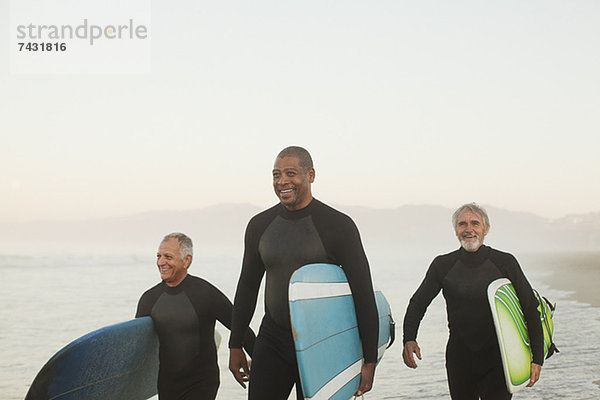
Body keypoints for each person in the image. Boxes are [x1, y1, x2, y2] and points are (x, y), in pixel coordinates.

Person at [228, 146, 379, 400]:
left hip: (322, 343)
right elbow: (247, 288)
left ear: (310, 175)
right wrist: (235, 344)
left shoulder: (338, 226)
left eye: (290, 173)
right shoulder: (259, 225)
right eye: (276, 175)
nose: (282, 181)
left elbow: (363, 294)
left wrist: (369, 360)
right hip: (273, 338)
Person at [402, 203, 544, 400]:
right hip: (459, 360)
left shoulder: (505, 262)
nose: (468, 229)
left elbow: (530, 307)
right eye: (462, 224)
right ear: (456, 231)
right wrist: (409, 338)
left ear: (485, 229)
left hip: (500, 359)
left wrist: (537, 358)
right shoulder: (443, 265)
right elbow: (418, 303)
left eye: (475, 223)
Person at [136, 232, 255, 400]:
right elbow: (139, 344)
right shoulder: (149, 299)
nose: (161, 262)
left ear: (187, 260)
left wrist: (260, 359)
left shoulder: (205, 293)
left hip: (202, 383)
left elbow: (239, 326)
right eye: (159, 256)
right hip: (167, 385)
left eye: (168, 257)